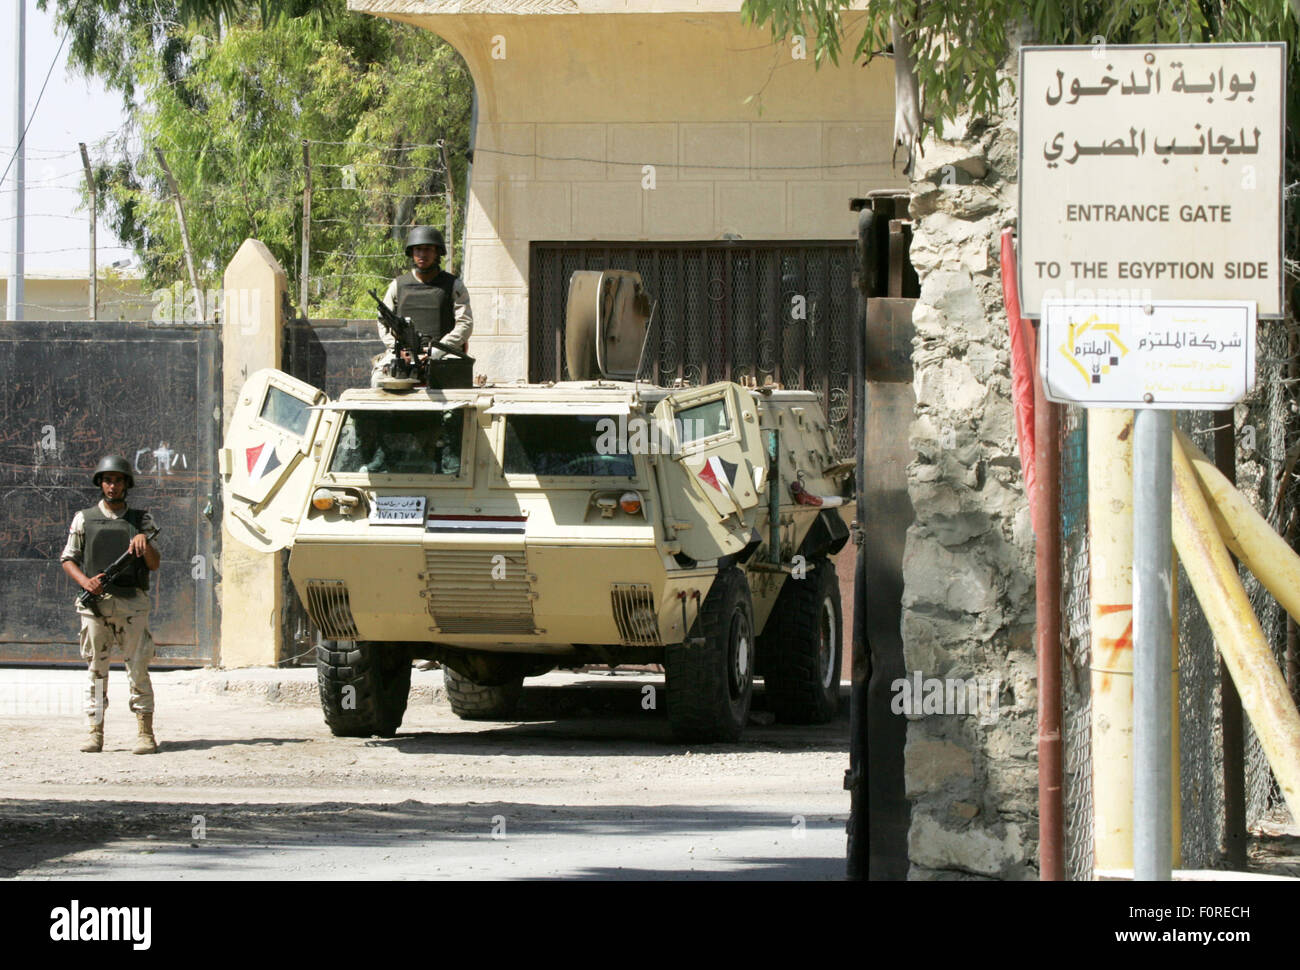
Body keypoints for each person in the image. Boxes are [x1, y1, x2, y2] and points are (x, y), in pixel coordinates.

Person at [60, 455, 161, 754]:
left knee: (138, 669)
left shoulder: (141, 520)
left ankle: (145, 733)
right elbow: (68, 558)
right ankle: (95, 732)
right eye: (107, 480)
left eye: (117, 480)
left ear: (126, 484)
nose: (112, 485)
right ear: (100, 483)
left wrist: (145, 543)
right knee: (96, 671)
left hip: (131, 605)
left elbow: (154, 565)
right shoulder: (84, 518)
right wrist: (85, 582)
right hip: (96, 606)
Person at [372, 226, 473, 386]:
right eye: (418, 249)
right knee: (378, 380)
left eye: (428, 249)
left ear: (437, 253)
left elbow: (465, 323)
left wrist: (439, 349)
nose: (422, 254)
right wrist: (398, 348)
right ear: (412, 253)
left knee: (455, 384)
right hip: (403, 353)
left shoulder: (454, 285)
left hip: (443, 353)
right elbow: (383, 322)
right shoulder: (398, 285)